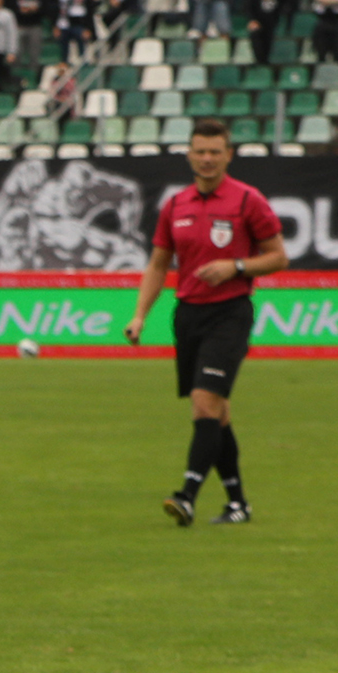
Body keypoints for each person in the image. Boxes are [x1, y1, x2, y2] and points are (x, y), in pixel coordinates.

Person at [124, 120, 287, 527]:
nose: (207, 159)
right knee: (217, 413)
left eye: (215, 151)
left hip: (230, 312)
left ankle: (187, 496)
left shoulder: (248, 200)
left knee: (204, 402)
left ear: (228, 155)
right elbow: (158, 265)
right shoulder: (175, 205)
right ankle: (238, 504)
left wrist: (236, 267)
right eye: (200, 151)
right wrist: (139, 315)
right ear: (189, 155)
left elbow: (278, 257)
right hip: (188, 315)